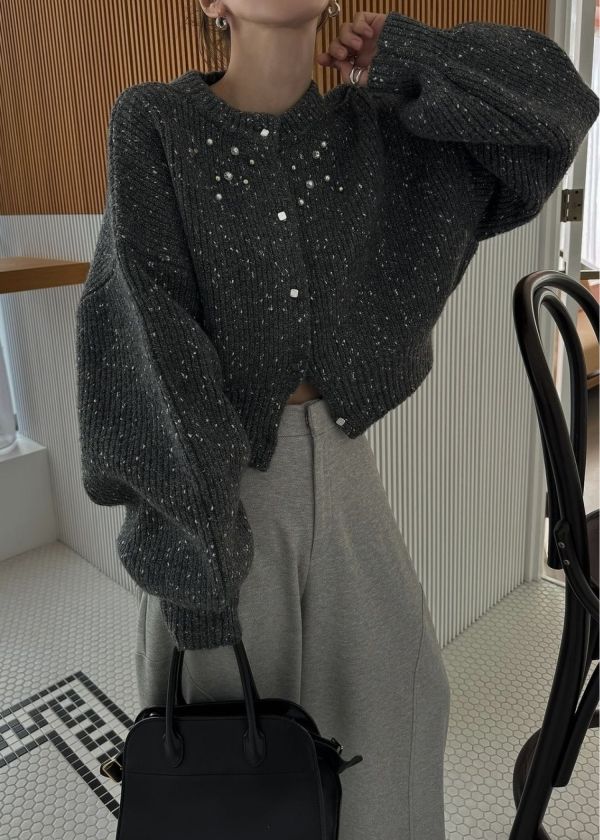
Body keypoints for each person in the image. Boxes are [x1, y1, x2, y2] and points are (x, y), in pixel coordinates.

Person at [75, 3, 599, 838]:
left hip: (348, 473)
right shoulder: (156, 122)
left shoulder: (377, 131)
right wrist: (198, 556)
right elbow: (146, 340)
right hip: (216, 492)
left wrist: (411, 54)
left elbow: (555, 109)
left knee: (405, 713)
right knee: (234, 765)